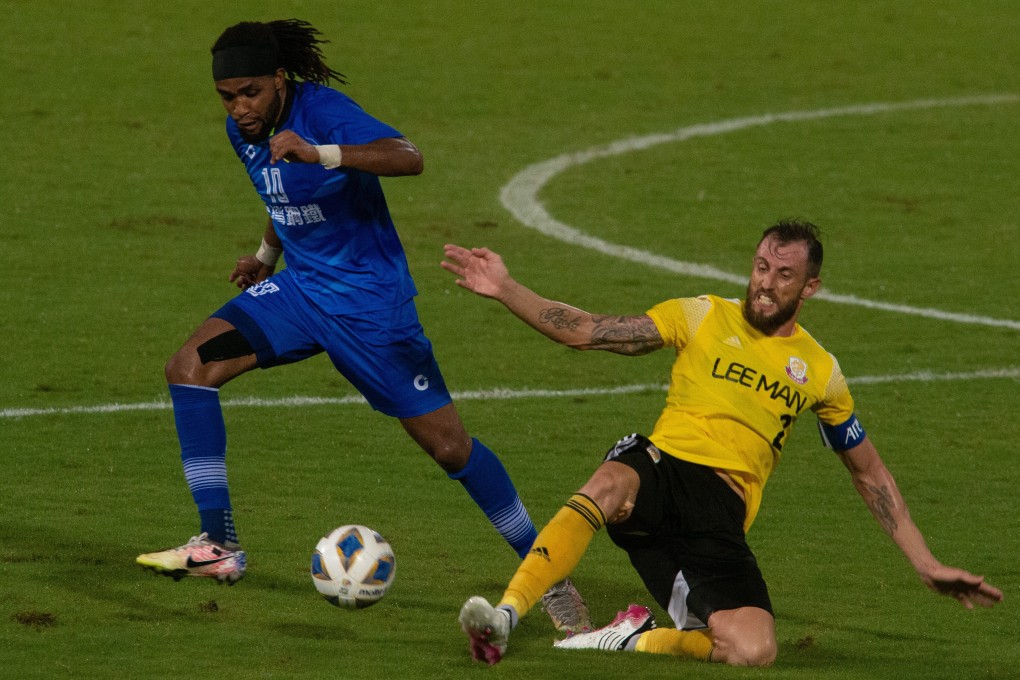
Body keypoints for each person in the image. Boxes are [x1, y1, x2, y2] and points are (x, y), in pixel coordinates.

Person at [134, 18, 589, 633]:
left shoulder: (325, 114)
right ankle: (219, 545)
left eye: (251, 93)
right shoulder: (243, 131)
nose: (240, 108)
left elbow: (409, 157)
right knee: (189, 367)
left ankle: (549, 575)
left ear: (279, 79)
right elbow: (280, 194)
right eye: (227, 97)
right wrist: (266, 257)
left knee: (450, 447)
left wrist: (320, 152)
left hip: (371, 310)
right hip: (300, 293)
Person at [441, 220, 1003, 666]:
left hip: (721, 517)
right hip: (664, 469)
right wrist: (506, 288)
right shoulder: (703, 314)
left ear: (810, 287)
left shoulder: (821, 371)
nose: (765, 283)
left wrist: (926, 563)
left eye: (784, 274)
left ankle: (631, 637)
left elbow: (869, 473)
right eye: (761, 266)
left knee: (753, 651)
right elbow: (590, 330)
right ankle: (506, 615)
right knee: (613, 480)